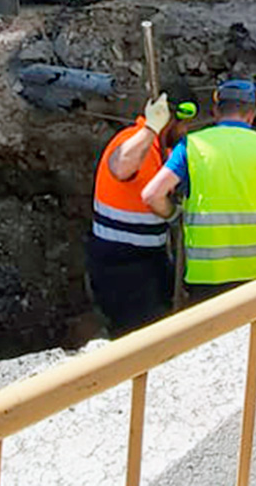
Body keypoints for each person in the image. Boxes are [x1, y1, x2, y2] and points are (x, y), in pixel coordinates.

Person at [141, 79, 256, 296]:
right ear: (252, 115)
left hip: (205, 274)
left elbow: (152, 195)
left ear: (216, 112)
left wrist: (174, 214)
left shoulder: (191, 146)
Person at [87, 87, 197, 335]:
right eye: (184, 125)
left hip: (149, 259)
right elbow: (122, 164)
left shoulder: (162, 151)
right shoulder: (135, 141)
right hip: (120, 267)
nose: (185, 132)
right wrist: (151, 129)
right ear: (170, 118)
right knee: (139, 336)